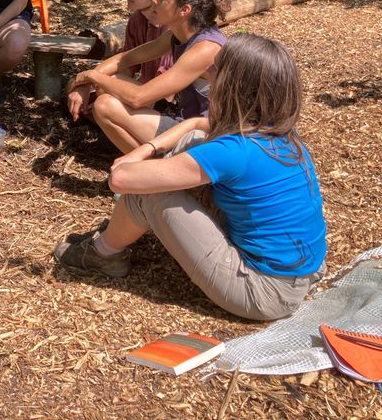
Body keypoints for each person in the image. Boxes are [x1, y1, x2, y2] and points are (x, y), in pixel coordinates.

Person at [53, 34, 328, 321]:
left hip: (263, 291)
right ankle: (120, 232)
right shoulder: (278, 132)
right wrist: (160, 142)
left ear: (232, 86)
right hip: (302, 272)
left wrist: (139, 157)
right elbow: (199, 125)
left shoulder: (233, 151)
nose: (207, 75)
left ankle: (104, 252)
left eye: (215, 71)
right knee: (194, 139)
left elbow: (120, 178)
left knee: (150, 192)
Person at [66, 0, 251, 152]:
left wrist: (89, 76)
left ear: (184, 10)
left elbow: (139, 97)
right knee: (111, 82)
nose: (154, 1)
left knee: (104, 105)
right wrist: (86, 85)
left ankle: (159, 173)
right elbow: (125, 59)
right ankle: (154, 166)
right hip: (182, 120)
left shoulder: (206, 48)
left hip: (209, 139)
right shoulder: (177, 35)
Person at [66, 0, 171, 117]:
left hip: (163, 101)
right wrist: (85, 84)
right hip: (142, 92)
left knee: (103, 95)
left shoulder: (171, 27)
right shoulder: (137, 20)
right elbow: (126, 64)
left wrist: (95, 81)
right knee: (75, 86)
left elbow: (164, 92)